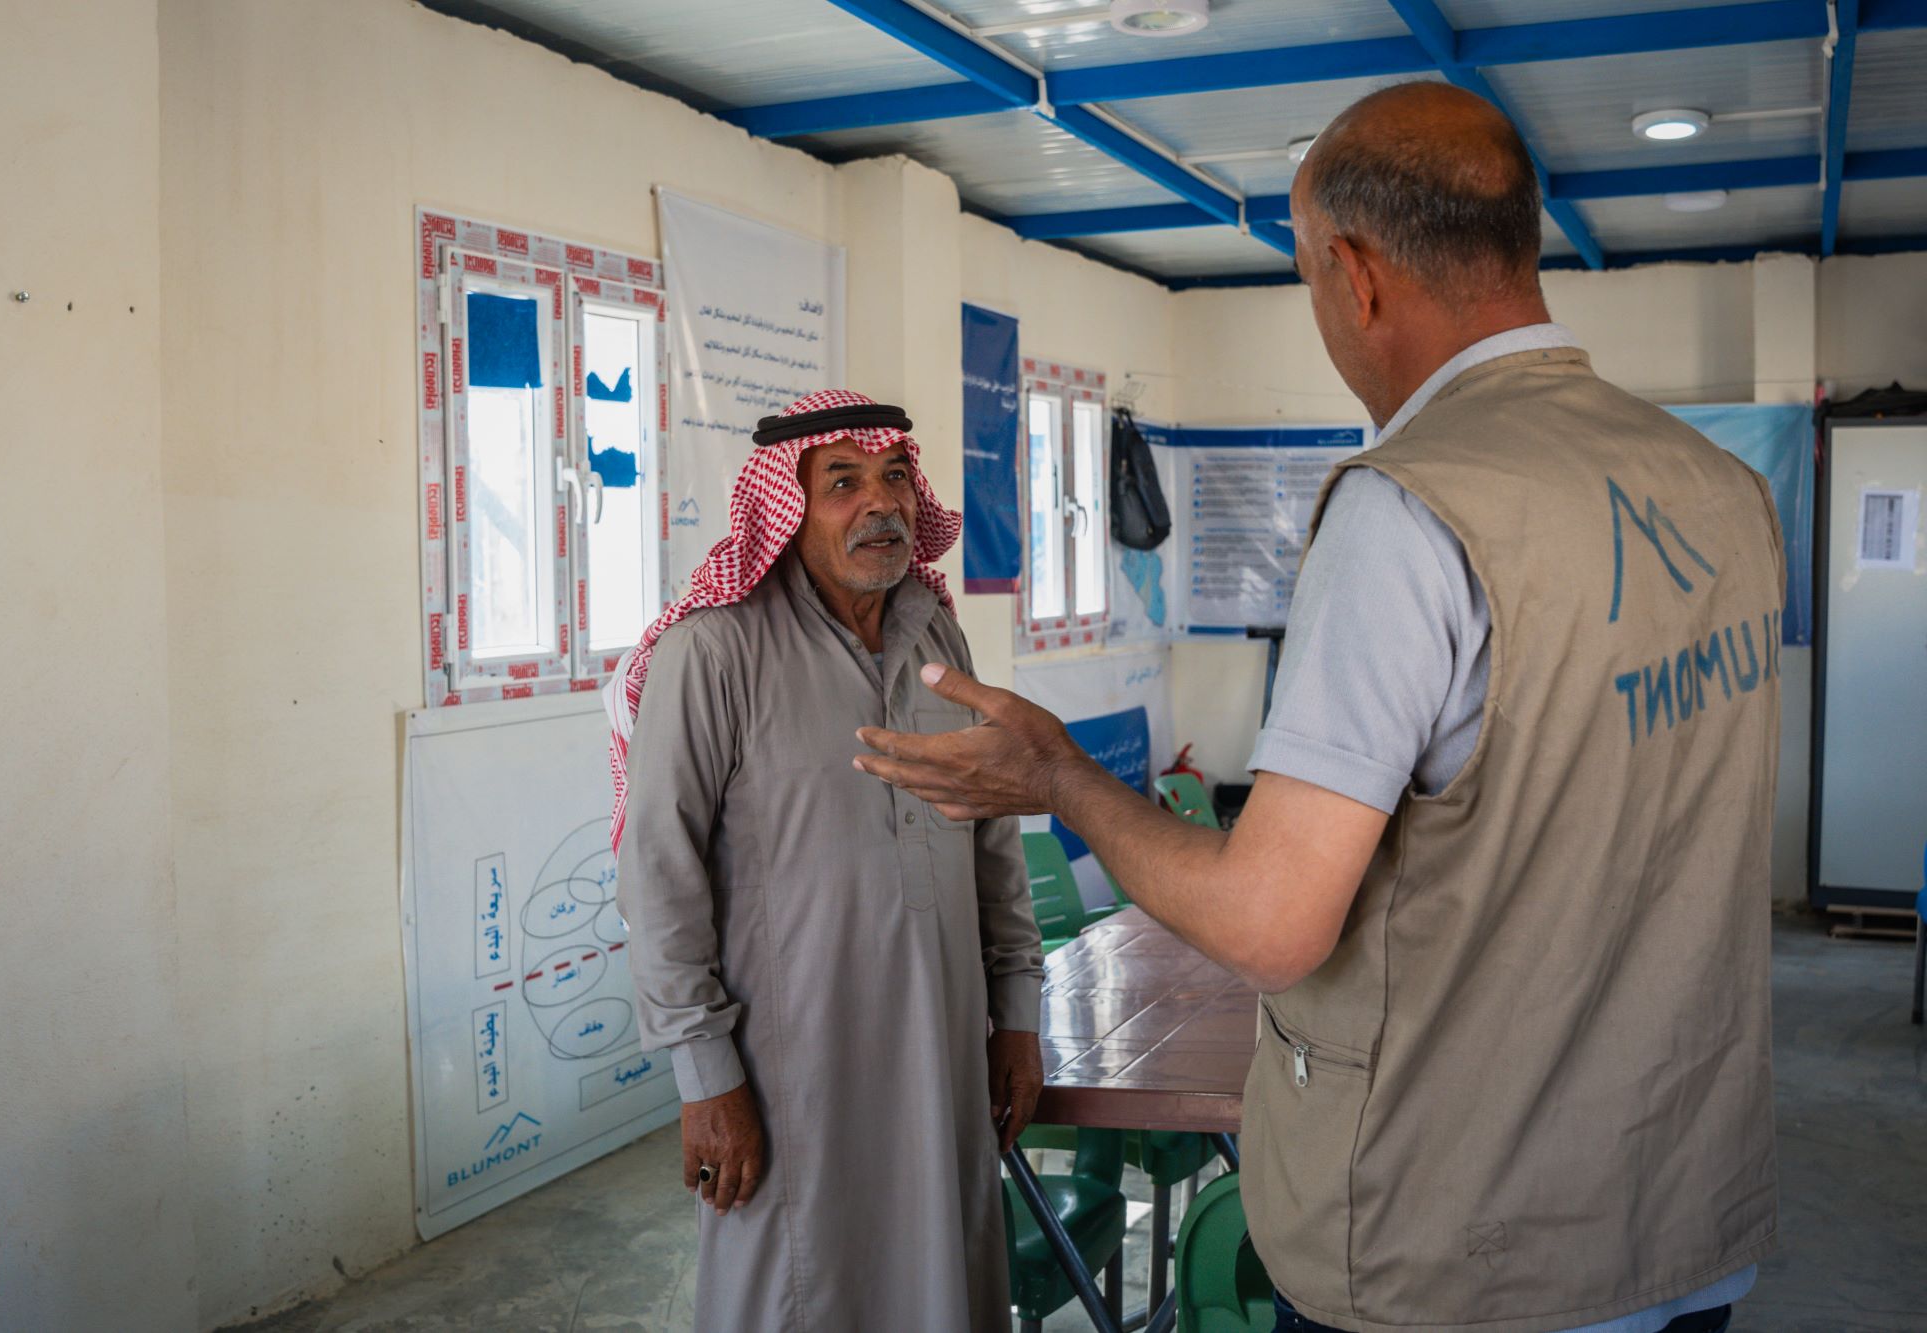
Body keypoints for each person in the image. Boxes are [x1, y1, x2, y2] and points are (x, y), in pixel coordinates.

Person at [855, 82, 1782, 1333]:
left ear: (1351, 275)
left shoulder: (1412, 507)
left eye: (1301, 277)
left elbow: (1271, 921)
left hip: (1465, 1251)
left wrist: (1058, 777)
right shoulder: (1720, 489)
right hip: (1681, 1216)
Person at [608, 389, 1045, 1333]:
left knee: (946, 1279)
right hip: (790, 1070)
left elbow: (993, 837)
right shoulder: (716, 649)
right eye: (840, 482)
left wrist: (1016, 1012)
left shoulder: (936, 631)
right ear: (786, 509)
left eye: (893, 477)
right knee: (799, 1290)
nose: (877, 504)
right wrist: (704, 1076)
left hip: (944, 1046)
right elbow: (659, 871)